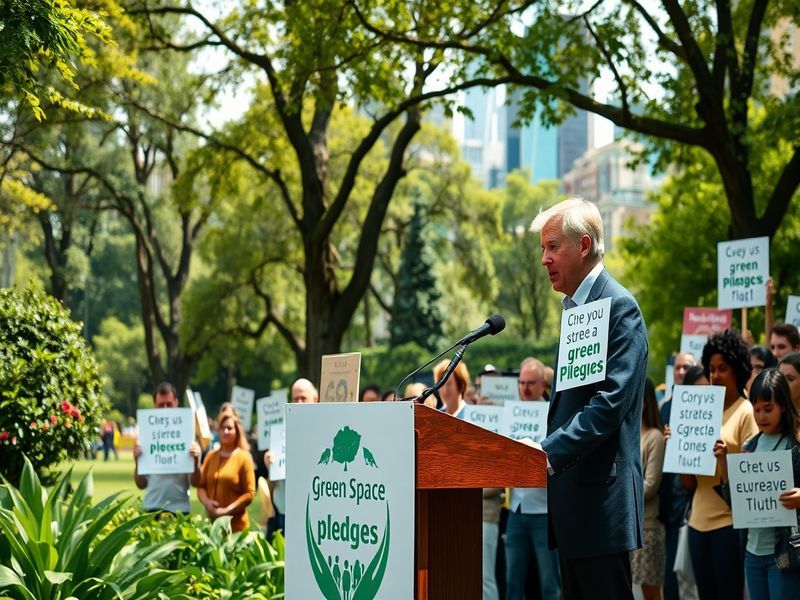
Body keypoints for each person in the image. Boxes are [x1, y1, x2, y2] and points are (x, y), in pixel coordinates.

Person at [530, 197, 648, 599]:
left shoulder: (619, 308)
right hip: (573, 508)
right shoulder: (575, 310)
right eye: (542, 249)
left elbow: (608, 405)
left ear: (583, 246)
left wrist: (546, 451)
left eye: (552, 247)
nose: (544, 259)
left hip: (602, 506)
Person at [681, 330, 758, 600]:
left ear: (738, 369)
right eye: (711, 369)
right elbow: (689, 484)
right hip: (697, 523)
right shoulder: (700, 410)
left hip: (730, 523)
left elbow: (751, 482)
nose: (715, 376)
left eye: (722, 368)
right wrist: (680, 449)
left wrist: (725, 460)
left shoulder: (747, 412)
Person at [714, 368, 800, 599]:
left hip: (785, 554)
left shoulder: (795, 447)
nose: (761, 416)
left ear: (783, 405)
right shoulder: (749, 447)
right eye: (756, 409)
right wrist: (723, 462)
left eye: (768, 409)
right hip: (752, 554)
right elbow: (737, 503)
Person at [505, 357, 561, 600]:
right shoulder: (510, 414)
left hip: (543, 510)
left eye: (531, 383)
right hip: (516, 509)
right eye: (521, 382)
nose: (525, 388)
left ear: (543, 385)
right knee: (512, 579)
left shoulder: (554, 414)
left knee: (549, 581)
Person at [658, 353, 698, 600]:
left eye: (687, 367)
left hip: (699, 500)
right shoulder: (666, 407)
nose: (682, 372)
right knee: (672, 574)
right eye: (678, 367)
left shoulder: (710, 405)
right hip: (672, 504)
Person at [133, 382, 202, 514]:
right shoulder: (146, 439)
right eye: (161, 405)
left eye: (169, 404)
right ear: (154, 405)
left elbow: (196, 483)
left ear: (176, 403)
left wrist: (195, 461)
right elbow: (140, 484)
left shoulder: (189, 438)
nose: (165, 409)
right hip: (151, 508)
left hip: (180, 510)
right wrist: (137, 462)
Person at [263, 378, 319, 537]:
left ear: (315, 400)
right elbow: (272, 484)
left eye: (304, 398)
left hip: (312, 512)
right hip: (283, 511)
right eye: (296, 399)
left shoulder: (324, 431)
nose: (299, 402)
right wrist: (270, 467)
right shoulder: (280, 433)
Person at [633, 379, 666, 600]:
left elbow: (651, 485)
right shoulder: (626, 435)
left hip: (648, 528)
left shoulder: (654, 437)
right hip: (626, 527)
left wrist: (619, 496)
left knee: (650, 593)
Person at [198, 407, 256, 533]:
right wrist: (207, 503)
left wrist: (227, 510)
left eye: (230, 428)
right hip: (213, 528)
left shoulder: (244, 458)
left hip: (237, 529)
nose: (226, 431)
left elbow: (250, 493)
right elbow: (201, 486)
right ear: (218, 431)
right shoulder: (210, 456)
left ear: (237, 431)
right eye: (223, 428)